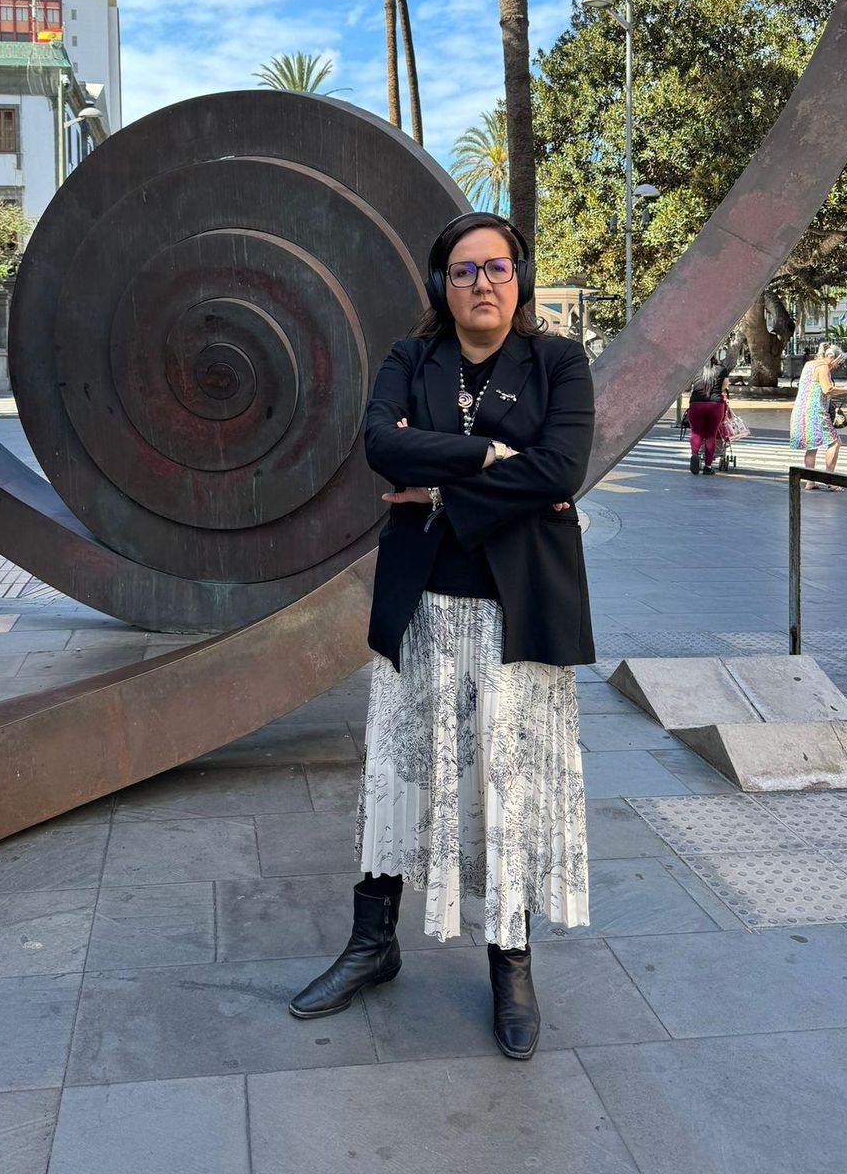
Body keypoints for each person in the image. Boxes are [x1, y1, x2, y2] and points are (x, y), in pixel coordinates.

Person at [288, 212, 593, 1061]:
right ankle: (372, 943)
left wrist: (444, 491)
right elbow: (381, 444)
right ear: (440, 287)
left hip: (518, 610)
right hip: (419, 605)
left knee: (509, 787)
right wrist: (498, 464)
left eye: (496, 267)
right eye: (463, 271)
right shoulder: (409, 359)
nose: (482, 283)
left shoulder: (558, 363)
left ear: (520, 277)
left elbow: (563, 468)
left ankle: (511, 962)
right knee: (398, 773)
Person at [789, 341, 847, 488]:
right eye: (838, 363)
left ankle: (810, 481)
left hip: (801, 410)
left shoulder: (809, 365)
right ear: (833, 358)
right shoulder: (823, 368)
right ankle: (829, 480)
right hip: (816, 412)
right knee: (835, 442)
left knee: (811, 445)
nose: (837, 366)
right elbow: (827, 389)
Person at [686, 358, 729, 475]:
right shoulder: (721, 369)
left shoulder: (695, 368)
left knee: (696, 433)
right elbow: (724, 386)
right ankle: (708, 466)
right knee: (711, 435)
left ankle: (695, 454)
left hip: (696, 403)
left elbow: (687, 387)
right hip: (715, 404)